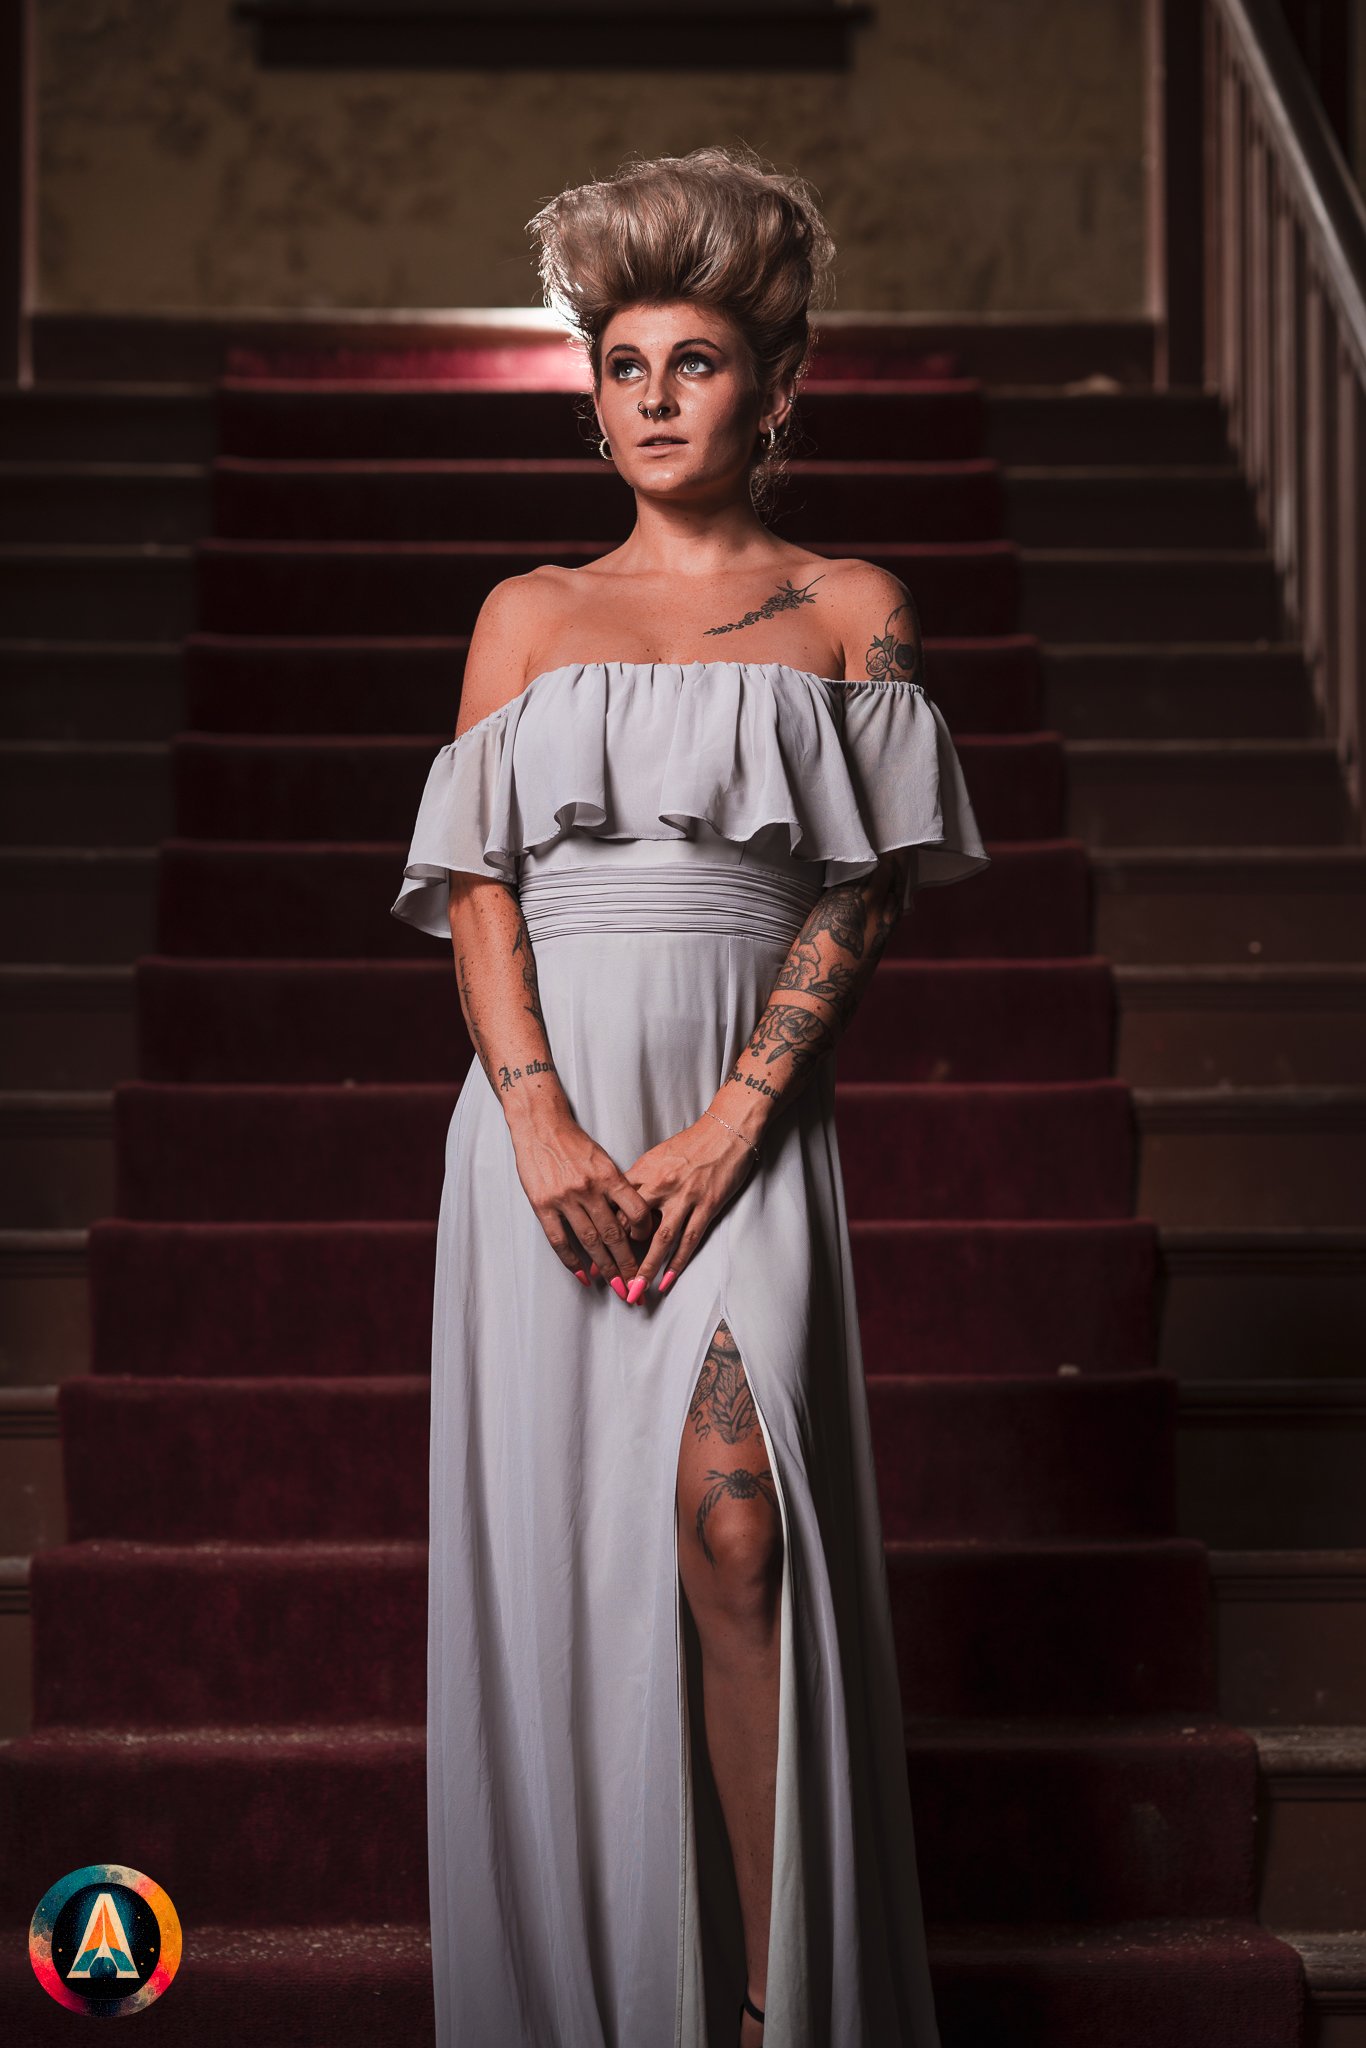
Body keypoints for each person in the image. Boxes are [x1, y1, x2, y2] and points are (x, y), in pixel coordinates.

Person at [391, 143, 990, 2048]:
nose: (652, 399)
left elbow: (863, 885)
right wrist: (543, 1125)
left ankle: (764, 2007)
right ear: (591, 394)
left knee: (741, 1527)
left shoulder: (849, 609)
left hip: (743, 1128)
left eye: (695, 363)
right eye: (622, 366)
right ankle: (591, 1990)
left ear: (777, 386)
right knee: (573, 1563)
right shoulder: (528, 612)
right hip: (545, 1138)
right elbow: (476, 890)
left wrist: (737, 1119)